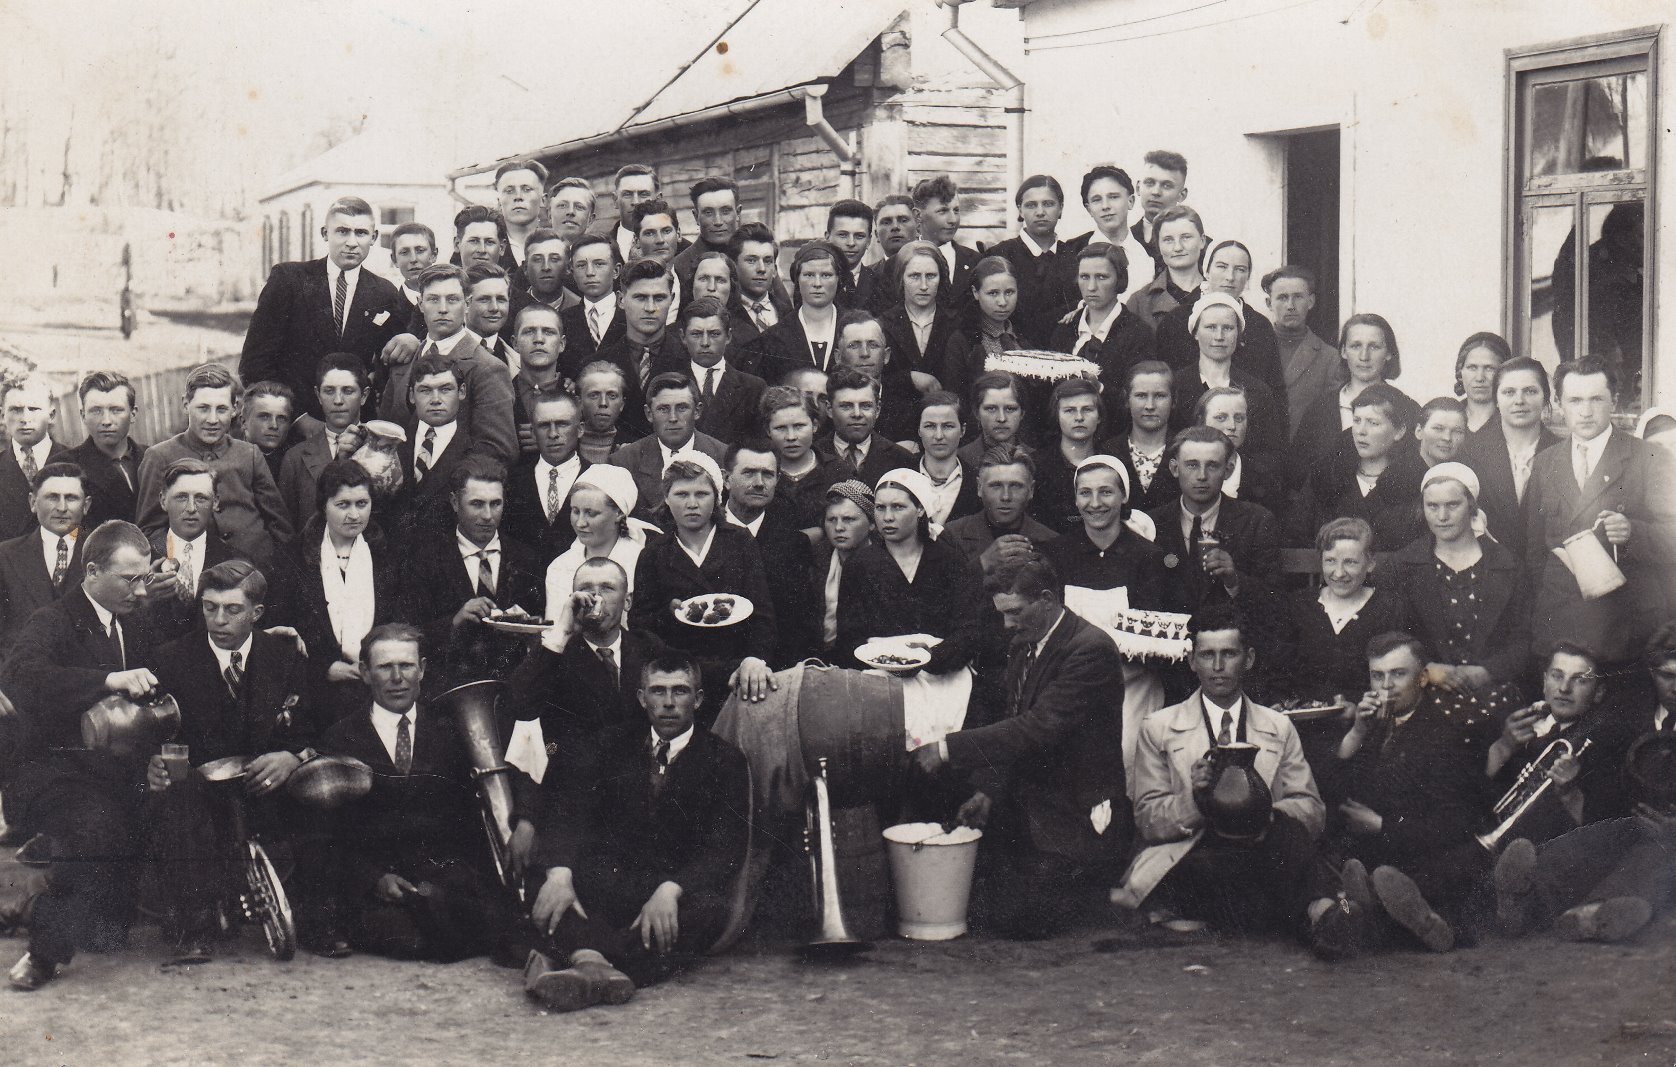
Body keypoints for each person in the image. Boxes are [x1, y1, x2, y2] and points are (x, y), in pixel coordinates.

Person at [1114, 605, 1358, 961]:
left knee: (1285, 838)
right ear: (1191, 661)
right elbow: (1148, 820)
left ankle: (1325, 917)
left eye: (1228, 654)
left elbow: (1311, 810)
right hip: (1195, 856)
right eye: (1206, 655)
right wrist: (1194, 799)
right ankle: (1325, 911)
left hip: (1264, 851)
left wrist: (1263, 815)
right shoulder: (1159, 727)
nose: (1217, 667)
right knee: (1275, 878)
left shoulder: (1277, 725)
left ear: (1248, 659)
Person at [910, 553, 1129, 940]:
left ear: (1047, 599)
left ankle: (1085, 882)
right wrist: (987, 791)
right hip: (1031, 800)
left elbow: (1036, 728)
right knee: (982, 905)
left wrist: (945, 748)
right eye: (1002, 614)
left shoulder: (1091, 649)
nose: (1007, 625)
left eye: (1015, 612)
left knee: (1014, 919)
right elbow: (1015, 725)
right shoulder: (1026, 642)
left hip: (1072, 811)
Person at [523, 653, 749, 1008]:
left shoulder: (726, 759)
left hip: (669, 888)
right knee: (545, 880)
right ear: (642, 698)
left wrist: (672, 889)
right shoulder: (609, 744)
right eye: (658, 692)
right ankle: (608, 968)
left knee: (705, 911)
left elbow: (726, 847)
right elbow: (571, 812)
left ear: (699, 699)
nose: (670, 703)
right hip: (611, 882)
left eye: (681, 691)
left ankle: (577, 958)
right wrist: (561, 873)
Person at [3, 521, 160, 991]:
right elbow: (20, 677)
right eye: (129, 579)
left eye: (145, 577)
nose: (140, 589)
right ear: (91, 572)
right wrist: (107, 680)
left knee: (108, 933)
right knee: (98, 829)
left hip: (116, 773)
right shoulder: (52, 620)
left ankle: (32, 898)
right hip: (52, 773)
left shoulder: (137, 619)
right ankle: (43, 957)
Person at [146, 560, 329, 962]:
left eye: (232, 609)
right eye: (209, 607)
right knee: (181, 799)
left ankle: (319, 921)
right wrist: (154, 763)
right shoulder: (171, 659)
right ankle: (195, 926)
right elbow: (152, 732)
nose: (218, 619)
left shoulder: (287, 656)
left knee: (318, 797)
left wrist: (291, 756)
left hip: (266, 780)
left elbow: (314, 727)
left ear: (257, 613)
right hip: (199, 789)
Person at [319, 624, 520, 962]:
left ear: (423, 669)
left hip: (445, 877)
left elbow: (484, 803)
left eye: (407, 666)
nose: (397, 677)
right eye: (385, 667)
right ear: (366, 674)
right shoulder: (339, 738)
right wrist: (373, 879)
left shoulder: (453, 727)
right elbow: (329, 833)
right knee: (410, 938)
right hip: (382, 887)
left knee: (460, 917)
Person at [1321, 632, 1498, 952]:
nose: (1386, 686)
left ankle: (1393, 919)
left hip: (1424, 852)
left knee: (1396, 878)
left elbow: (1456, 823)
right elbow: (1335, 792)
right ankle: (1378, 915)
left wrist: (1381, 826)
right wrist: (1358, 731)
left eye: (1398, 674)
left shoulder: (1447, 732)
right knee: (1334, 873)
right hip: (1377, 850)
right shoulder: (1373, 724)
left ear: (1423, 678)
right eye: (1378, 676)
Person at [1526, 356, 1676, 670]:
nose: (1585, 410)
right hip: (1562, 632)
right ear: (1559, 404)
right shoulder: (1545, 463)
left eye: (1596, 399)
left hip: (1626, 632)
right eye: (1575, 400)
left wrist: (1634, 532)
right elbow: (1534, 555)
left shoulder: (1650, 457)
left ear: (1614, 401)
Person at [1043, 455, 1173, 784]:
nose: (1095, 503)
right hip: (1069, 684)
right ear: (1075, 499)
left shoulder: (1148, 557)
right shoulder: (1057, 553)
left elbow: (1153, 635)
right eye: (1085, 493)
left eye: (1106, 492)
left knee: (1127, 762)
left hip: (1131, 688)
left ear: (1124, 496)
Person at [629, 456, 777, 724]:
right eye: (681, 494)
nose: (692, 504)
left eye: (702, 493)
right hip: (681, 678)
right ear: (666, 497)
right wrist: (668, 614)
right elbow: (640, 625)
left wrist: (755, 659)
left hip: (738, 673)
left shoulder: (740, 541)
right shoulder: (654, 553)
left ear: (717, 496)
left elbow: (763, 613)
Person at [239, 196, 406, 419]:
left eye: (361, 233)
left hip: (355, 426)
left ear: (374, 237)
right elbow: (254, 365)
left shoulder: (384, 292)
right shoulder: (289, 280)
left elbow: (387, 370)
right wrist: (297, 418)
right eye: (342, 231)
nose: (352, 242)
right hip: (293, 426)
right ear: (325, 233)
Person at [136, 364, 291, 571]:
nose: (212, 419)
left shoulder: (249, 454)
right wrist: (177, 563)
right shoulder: (159, 456)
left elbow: (279, 524)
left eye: (222, 409)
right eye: (203, 408)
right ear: (186, 404)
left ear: (235, 409)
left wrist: (275, 568)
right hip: (194, 571)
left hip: (255, 569)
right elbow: (148, 529)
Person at [287, 459, 408, 723]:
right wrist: (325, 668)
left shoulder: (387, 555)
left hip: (378, 686)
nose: (354, 515)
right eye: (343, 505)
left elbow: (401, 620)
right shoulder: (294, 557)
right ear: (323, 506)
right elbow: (285, 629)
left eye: (361, 504)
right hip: (316, 691)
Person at [405, 462, 543, 689]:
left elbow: (541, 623)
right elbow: (409, 631)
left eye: (495, 504)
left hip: (512, 687)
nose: (488, 515)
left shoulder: (526, 558)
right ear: (454, 503)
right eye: (477, 504)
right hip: (448, 689)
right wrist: (455, 620)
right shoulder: (425, 559)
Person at [835, 469, 984, 676]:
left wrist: (933, 656)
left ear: (920, 509)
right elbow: (848, 637)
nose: (887, 517)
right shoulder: (859, 565)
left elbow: (968, 630)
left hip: (940, 676)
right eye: (880, 508)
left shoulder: (949, 561)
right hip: (878, 676)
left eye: (898, 507)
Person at [378, 264, 519, 466]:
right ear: (420, 303)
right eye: (433, 299)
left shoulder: (488, 368)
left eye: (452, 299)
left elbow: (498, 450)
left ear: (467, 304)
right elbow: (385, 431)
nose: (443, 309)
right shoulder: (404, 362)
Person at [1483, 643, 1623, 843]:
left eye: (1580, 680)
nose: (1564, 688)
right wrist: (1502, 748)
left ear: (1598, 693)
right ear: (1544, 681)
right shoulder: (1512, 723)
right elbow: (1469, 797)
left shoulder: (1603, 746)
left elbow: (1602, 834)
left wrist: (1569, 794)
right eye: (1557, 676)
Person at [1266, 517, 1405, 709]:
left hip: (1366, 720)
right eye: (1330, 561)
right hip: (1304, 721)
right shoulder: (1297, 605)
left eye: (1350, 562)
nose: (1339, 573)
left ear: (1371, 563)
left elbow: (1397, 679)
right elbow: (1278, 674)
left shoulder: (1390, 608)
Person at [1147, 426, 1281, 621]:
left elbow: (1274, 600)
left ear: (1228, 470)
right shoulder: (1152, 523)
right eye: (1192, 465)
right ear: (1175, 469)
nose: (1202, 475)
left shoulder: (1257, 521)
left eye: (1212, 465)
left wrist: (1235, 581)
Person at [1291, 312, 1420, 488]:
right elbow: (1298, 475)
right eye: (1355, 346)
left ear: (1389, 353)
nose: (1364, 356)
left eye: (1374, 347)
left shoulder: (1408, 409)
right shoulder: (1319, 410)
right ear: (1343, 351)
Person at [1298, 383, 1427, 552]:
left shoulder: (1418, 483)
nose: (1361, 431)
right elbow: (1297, 537)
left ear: (1399, 431)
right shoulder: (1325, 476)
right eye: (1357, 421)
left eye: (1373, 423)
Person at [1156, 239, 1285, 406]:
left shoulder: (1260, 327)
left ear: (1247, 278)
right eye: (1221, 266)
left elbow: (1276, 392)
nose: (1230, 277)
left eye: (1240, 269)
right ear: (1206, 271)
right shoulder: (1176, 321)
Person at [720, 441, 815, 667]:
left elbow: (801, 626)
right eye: (749, 473)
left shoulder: (794, 545)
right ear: (726, 479)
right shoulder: (703, 533)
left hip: (774, 670)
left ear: (777, 481)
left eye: (768, 475)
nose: (759, 483)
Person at [1458, 355, 1559, 562]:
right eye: (1509, 392)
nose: (1519, 401)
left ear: (1545, 397)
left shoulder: (1564, 452)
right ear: (1496, 399)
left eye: (1530, 391)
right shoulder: (1470, 452)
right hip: (1488, 576)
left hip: (1548, 579)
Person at [1170, 293, 1285, 461]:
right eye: (1210, 327)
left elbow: (1269, 456)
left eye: (1228, 328)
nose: (1219, 336)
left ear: (1238, 334)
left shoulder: (1259, 391)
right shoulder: (1175, 386)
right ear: (1195, 332)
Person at [139, 459, 238, 644]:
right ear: (163, 500)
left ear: (215, 502)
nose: (191, 508)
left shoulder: (236, 560)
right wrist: (143, 599)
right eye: (181, 497)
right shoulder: (141, 557)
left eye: (201, 498)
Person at [542, 464, 659, 618]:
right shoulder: (559, 567)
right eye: (575, 511)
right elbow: (555, 628)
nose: (580, 523)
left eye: (591, 513)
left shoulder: (643, 561)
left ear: (618, 513)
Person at [608, 371, 729, 519]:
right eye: (663, 409)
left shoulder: (723, 456)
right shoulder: (623, 462)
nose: (673, 418)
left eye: (682, 408)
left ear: (697, 411)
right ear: (649, 413)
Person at [1046, 243, 1154, 400]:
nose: (1091, 287)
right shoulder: (1064, 330)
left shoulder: (1138, 334)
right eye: (1084, 277)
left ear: (1119, 279)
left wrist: (1100, 388)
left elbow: (1138, 397)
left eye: (1101, 277)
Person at [594, 258, 685, 440]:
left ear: (672, 300)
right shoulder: (596, 364)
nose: (650, 308)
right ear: (621, 300)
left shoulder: (689, 360)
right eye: (640, 297)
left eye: (659, 298)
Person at [279, 353, 370, 533]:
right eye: (329, 391)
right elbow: (285, 529)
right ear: (318, 396)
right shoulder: (296, 458)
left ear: (364, 395)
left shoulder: (381, 448)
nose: (337, 401)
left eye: (348, 391)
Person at [989, 174, 1084, 347]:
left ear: (1061, 208)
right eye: (1031, 205)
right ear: (1020, 210)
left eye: (1048, 204)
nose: (1040, 212)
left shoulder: (1075, 257)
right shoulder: (1000, 255)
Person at [0, 463, 88, 647]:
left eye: (71, 498)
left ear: (86, 505)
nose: (62, 507)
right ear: (33, 502)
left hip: (89, 673)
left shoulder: (104, 552)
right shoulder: (5, 556)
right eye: (52, 498)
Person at [394, 356, 480, 538]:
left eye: (445, 389)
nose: (435, 400)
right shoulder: (393, 444)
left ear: (462, 391)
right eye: (425, 390)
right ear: (411, 395)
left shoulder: (475, 452)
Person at [661, 297, 765, 446]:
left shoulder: (753, 388)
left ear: (728, 336)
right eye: (696, 334)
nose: (705, 343)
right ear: (683, 337)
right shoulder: (668, 384)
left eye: (714, 334)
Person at [942, 443, 1061, 571]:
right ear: (979, 488)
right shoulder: (952, 536)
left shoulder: (1051, 541)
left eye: (1015, 486)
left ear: (1031, 490)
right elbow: (944, 589)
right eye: (996, 486)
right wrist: (983, 563)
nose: (1005, 496)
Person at [503, 389, 588, 564]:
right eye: (544, 425)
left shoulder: (599, 477)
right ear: (533, 433)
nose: (553, 434)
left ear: (580, 429)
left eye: (562, 424)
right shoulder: (511, 481)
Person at [749, 241, 844, 385]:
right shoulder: (773, 338)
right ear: (797, 279)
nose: (817, 283)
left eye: (826, 275)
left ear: (838, 279)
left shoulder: (852, 328)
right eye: (809, 275)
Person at [1263, 266, 1338, 441]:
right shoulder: (1255, 349)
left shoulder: (1329, 357)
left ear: (1310, 301)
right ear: (1269, 303)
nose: (1290, 306)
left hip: (1307, 456)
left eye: (1298, 297)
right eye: (1282, 298)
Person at [67, 371, 147, 529]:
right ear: (83, 416)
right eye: (96, 411)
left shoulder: (153, 458)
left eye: (116, 410)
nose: (106, 421)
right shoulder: (68, 465)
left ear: (133, 414)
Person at [937, 257, 1022, 406]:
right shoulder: (963, 342)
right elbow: (957, 397)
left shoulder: (1022, 338)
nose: (1002, 302)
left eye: (1009, 292)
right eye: (993, 293)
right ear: (976, 292)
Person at [814, 368, 915, 493]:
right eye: (846, 406)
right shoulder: (813, 456)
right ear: (829, 409)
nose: (857, 414)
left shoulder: (903, 459)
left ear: (877, 410)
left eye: (866, 406)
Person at [832, 309, 924, 446]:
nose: (864, 353)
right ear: (838, 357)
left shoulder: (908, 409)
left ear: (886, 356)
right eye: (854, 346)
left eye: (873, 345)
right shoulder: (829, 407)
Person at [879, 240, 960, 390]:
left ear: (941, 278)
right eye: (914, 276)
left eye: (931, 276)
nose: (923, 286)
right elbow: (876, 377)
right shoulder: (884, 324)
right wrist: (909, 378)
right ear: (901, 278)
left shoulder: (957, 323)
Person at [1101, 361, 1179, 514]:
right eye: (1141, 396)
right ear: (1127, 400)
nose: (1150, 405)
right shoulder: (1107, 452)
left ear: (1174, 400)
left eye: (1160, 396)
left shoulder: (1184, 450)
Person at [1031, 378, 1104, 535]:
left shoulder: (1111, 461)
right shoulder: (1036, 464)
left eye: (1087, 409)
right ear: (1056, 416)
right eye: (1069, 410)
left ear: (1099, 416)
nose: (1079, 417)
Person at [1194, 386, 1283, 514]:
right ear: (1201, 422)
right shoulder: (1182, 473)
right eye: (1221, 417)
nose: (1232, 426)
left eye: (1239, 418)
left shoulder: (1264, 478)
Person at [811, 480, 874, 659]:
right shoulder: (815, 560)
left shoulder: (883, 564)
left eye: (849, 519)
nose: (838, 527)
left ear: (871, 524)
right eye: (831, 520)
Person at [0, 378, 69, 541]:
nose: (25, 418)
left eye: (33, 409)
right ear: (3, 416)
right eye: (16, 409)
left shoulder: (77, 462)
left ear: (51, 415)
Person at [1072, 165, 1150, 303]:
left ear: (1130, 201)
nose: (1105, 206)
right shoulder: (1071, 252)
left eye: (1113, 197)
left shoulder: (1148, 253)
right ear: (1089, 209)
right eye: (1096, 200)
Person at [1125, 205, 1206, 332]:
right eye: (1168, 240)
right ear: (1158, 245)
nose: (1178, 247)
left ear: (1202, 241)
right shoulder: (1139, 302)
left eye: (1186, 237)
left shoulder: (1219, 293)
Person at [911, 175, 980, 318]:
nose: (953, 220)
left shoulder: (975, 261)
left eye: (956, 210)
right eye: (942, 211)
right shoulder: (901, 261)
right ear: (918, 216)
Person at [760, 386, 827, 529]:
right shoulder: (759, 474)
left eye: (799, 426)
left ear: (814, 425)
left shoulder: (835, 470)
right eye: (780, 428)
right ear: (768, 430)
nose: (791, 437)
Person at [509, 303, 572, 450]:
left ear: (561, 344)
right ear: (515, 343)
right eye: (529, 331)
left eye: (548, 332)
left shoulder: (576, 395)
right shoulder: (501, 393)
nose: (538, 339)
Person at [913, 391, 981, 527]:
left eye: (948, 426)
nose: (939, 435)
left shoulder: (976, 481)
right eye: (930, 426)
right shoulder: (901, 475)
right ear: (919, 430)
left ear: (962, 430)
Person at [669, 176, 742, 298]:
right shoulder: (680, 267)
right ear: (696, 216)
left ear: (738, 213)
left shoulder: (753, 258)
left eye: (725, 211)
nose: (718, 221)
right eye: (708, 213)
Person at [727, 223, 793, 356]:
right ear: (733, 266)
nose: (762, 269)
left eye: (768, 261)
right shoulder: (726, 312)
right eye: (751, 260)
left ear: (774, 269)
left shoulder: (789, 314)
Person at [559, 233, 624, 364]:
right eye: (581, 265)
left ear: (616, 271)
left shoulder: (630, 316)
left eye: (599, 264)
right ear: (573, 272)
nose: (590, 272)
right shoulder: (561, 320)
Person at [1131, 149, 1191, 276]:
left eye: (1166, 185)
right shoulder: (1125, 239)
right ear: (1138, 188)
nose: (1156, 192)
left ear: (1182, 195)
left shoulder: (1199, 246)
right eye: (1149, 183)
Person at [957, 372, 1029, 468]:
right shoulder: (960, 459)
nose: (1001, 418)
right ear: (976, 412)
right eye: (991, 408)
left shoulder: (1035, 458)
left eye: (1010, 409)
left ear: (1022, 413)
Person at [825, 198, 882, 311]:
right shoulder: (815, 282)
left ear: (869, 241)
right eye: (843, 235)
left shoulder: (880, 283)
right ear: (827, 238)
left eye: (859, 236)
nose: (851, 243)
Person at [576, 361, 634, 464]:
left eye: (612, 396)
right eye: (594, 395)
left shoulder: (635, 449)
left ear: (622, 404)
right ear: (579, 402)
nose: (603, 403)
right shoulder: (564, 446)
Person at [494, 159, 549, 266]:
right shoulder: (487, 248)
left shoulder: (558, 247)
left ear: (543, 200)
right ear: (499, 203)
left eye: (527, 189)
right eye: (509, 191)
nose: (518, 197)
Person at [240, 380, 297, 481]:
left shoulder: (295, 462)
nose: (274, 425)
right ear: (244, 421)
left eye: (281, 418)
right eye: (264, 417)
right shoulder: (229, 456)